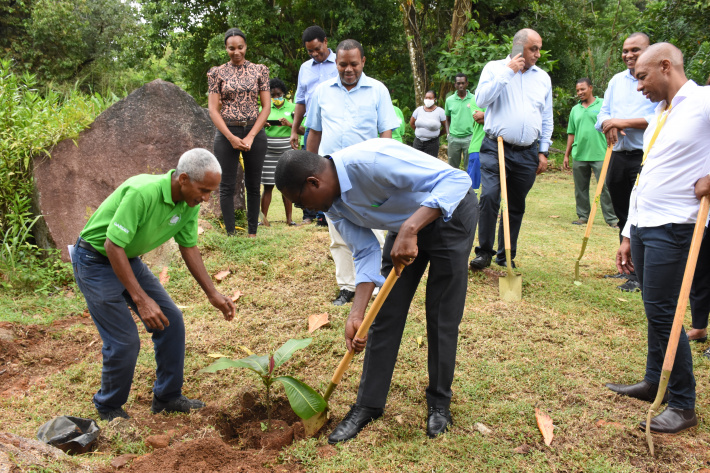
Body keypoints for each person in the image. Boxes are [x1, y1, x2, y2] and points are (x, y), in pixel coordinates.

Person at [274, 138, 478, 442]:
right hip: (404, 225)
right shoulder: (332, 204)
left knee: (441, 315)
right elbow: (364, 251)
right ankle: (368, 404)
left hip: (450, 215)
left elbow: (457, 179)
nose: (308, 210)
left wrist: (410, 229)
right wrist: (357, 313)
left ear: (314, 182)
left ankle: (439, 403)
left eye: (303, 203)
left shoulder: (372, 160)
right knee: (383, 315)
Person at [71, 149, 236, 421]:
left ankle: (167, 397)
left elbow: (189, 247)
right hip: (95, 259)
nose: (206, 198)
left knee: (171, 320)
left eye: (211, 192)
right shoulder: (142, 191)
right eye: (203, 190)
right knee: (124, 341)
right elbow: (112, 245)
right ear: (183, 179)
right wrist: (140, 298)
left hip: (127, 258)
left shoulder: (188, 203)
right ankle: (108, 406)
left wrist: (212, 293)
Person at [607, 43, 710, 434]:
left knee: (666, 311)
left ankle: (683, 404)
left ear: (666, 66)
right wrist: (628, 232)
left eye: (642, 77)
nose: (638, 86)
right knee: (655, 308)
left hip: (677, 225)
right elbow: (646, 175)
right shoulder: (661, 114)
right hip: (647, 224)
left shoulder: (702, 101)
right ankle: (655, 381)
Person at [305, 39, 400, 306]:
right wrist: (310, 170)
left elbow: (386, 132)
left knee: (374, 229)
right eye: (343, 64)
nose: (349, 69)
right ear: (335, 63)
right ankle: (347, 287)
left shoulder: (378, 90)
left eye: (354, 64)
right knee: (339, 234)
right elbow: (314, 131)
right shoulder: (322, 92)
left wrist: (385, 167)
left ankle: (373, 285)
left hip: (367, 173)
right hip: (330, 174)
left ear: (363, 62)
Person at [469, 29, 552, 270]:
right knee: (489, 196)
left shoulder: (542, 78)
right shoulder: (495, 68)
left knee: (516, 204)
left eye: (539, 48)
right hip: (497, 146)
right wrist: (509, 72)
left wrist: (543, 151)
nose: (537, 54)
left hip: (527, 151)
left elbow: (546, 117)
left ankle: (506, 255)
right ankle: (484, 251)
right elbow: (482, 100)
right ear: (518, 47)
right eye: (532, 48)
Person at [595, 32, 657, 291]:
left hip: (645, 157)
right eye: (625, 50)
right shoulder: (616, 81)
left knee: (639, 214)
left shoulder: (655, 80)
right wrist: (608, 124)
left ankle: (642, 276)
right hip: (618, 155)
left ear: (649, 51)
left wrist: (623, 122)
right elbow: (602, 115)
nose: (629, 55)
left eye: (635, 50)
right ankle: (628, 266)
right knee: (622, 212)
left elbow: (659, 117)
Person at [207, 27, 270, 238]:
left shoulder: (260, 70)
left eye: (240, 47)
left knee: (253, 184)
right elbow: (213, 110)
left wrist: (251, 135)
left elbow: (266, 107)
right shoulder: (216, 72)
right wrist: (231, 137)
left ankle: (253, 232)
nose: (236, 52)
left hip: (254, 130)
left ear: (246, 47)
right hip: (227, 132)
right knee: (226, 185)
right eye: (231, 48)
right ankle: (231, 234)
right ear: (226, 48)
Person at [290, 25, 339, 225]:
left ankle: (330, 213)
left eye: (318, 48)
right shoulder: (304, 68)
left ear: (326, 41)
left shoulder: (340, 63)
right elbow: (300, 101)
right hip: (312, 125)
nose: (315, 54)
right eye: (310, 51)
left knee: (332, 167)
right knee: (310, 168)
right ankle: (310, 213)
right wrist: (294, 129)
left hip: (334, 124)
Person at [563, 78, 618, 227]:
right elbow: (571, 133)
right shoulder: (575, 110)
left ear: (591, 88)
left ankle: (612, 219)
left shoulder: (602, 105)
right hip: (579, 154)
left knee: (605, 187)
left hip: (600, 153)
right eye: (578, 90)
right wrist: (567, 155)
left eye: (583, 89)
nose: (580, 92)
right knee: (580, 187)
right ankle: (582, 216)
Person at [260, 78, 303, 227]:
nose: (276, 98)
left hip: (287, 150)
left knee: (287, 185)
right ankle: (263, 220)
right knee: (268, 186)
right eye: (272, 95)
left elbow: (303, 130)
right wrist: (262, 125)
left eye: (278, 95)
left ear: (284, 93)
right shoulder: (264, 108)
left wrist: (290, 125)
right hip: (268, 151)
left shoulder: (293, 108)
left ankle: (289, 219)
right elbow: (255, 128)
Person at [445, 74, 475, 170]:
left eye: (463, 83)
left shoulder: (474, 99)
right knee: (452, 167)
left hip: (469, 137)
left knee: (469, 166)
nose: (461, 86)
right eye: (458, 83)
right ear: (455, 85)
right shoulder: (449, 100)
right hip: (454, 138)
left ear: (467, 83)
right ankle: (453, 185)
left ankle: (469, 185)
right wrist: (448, 134)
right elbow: (447, 118)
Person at [410, 90, 447, 158]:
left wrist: (437, 134)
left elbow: (446, 127)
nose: (428, 100)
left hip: (432, 144)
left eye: (430, 98)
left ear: (435, 99)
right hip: (418, 142)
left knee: (430, 164)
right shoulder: (418, 110)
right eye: (426, 98)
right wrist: (419, 132)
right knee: (416, 163)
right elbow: (412, 123)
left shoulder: (440, 111)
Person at [465, 99, 486, 189]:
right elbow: (479, 119)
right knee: (473, 184)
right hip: (478, 146)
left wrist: (485, 115)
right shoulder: (477, 100)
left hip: (500, 147)